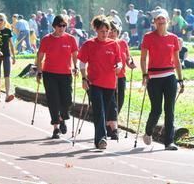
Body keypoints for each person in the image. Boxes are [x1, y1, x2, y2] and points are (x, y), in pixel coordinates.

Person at [141, 9, 184, 150]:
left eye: (163, 19)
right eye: (158, 20)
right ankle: (148, 132)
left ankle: (169, 142)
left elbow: (177, 60)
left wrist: (180, 79)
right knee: (157, 109)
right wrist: (144, 74)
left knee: (169, 110)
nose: (161, 22)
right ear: (154, 22)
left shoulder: (173, 38)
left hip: (170, 77)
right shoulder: (148, 37)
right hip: (154, 78)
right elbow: (143, 58)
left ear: (167, 21)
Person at [78, 15, 121, 149]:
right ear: (96, 30)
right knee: (99, 111)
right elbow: (82, 63)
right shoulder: (89, 44)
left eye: (107, 31)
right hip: (94, 84)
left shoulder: (114, 44)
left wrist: (119, 66)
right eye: (102, 31)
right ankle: (101, 139)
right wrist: (84, 78)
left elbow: (118, 61)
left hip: (109, 84)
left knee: (105, 111)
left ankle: (101, 137)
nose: (104, 34)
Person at [36, 15, 78, 139]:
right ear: (54, 26)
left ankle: (62, 117)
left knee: (67, 100)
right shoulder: (46, 39)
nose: (62, 28)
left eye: (64, 25)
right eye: (60, 25)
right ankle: (56, 127)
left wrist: (75, 66)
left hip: (66, 73)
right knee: (53, 100)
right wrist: (39, 71)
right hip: (50, 73)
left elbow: (75, 54)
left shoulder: (70, 39)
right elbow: (40, 56)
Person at [106, 21, 135, 139]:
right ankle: (112, 127)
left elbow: (127, 59)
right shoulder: (105, 44)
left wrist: (131, 63)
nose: (112, 33)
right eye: (110, 31)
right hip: (108, 78)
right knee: (111, 102)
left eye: (115, 31)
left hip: (121, 77)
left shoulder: (123, 43)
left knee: (120, 101)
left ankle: (108, 123)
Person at [0, 13, 16, 103]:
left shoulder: (8, 31)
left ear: (4, 21)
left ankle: (7, 95)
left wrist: (14, 56)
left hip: (6, 55)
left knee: (7, 75)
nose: (0, 21)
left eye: (1, 20)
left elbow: (11, 44)